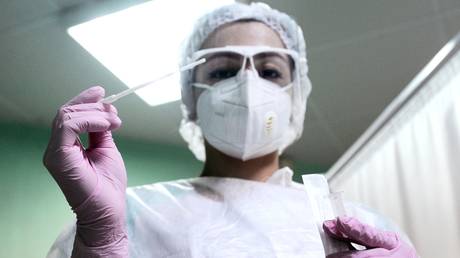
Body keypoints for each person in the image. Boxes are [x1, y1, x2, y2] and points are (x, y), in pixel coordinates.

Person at [44, 2, 418, 258]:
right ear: (190, 96)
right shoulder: (129, 216)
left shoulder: (361, 227)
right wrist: (101, 242)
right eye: (223, 71)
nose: (248, 85)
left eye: (270, 72)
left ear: (296, 96)